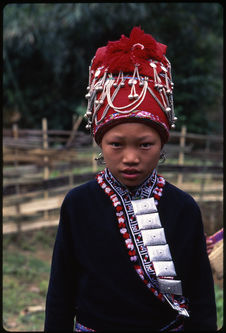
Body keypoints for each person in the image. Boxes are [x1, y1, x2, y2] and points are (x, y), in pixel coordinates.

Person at [44, 27, 217, 332]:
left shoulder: (183, 207)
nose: (131, 157)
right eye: (116, 144)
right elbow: (61, 290)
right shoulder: (78, 204)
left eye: (145, 144)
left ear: (162, 145)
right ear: (100, 143)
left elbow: (200, 298)